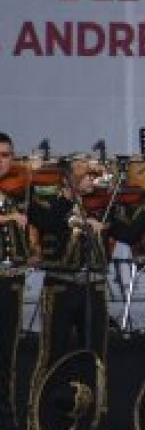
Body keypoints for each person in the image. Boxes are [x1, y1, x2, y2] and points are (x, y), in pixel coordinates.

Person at [28, 154, 145, 390]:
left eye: (94, 175)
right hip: (60, 287)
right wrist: (73, 205)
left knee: (96, 353)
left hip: (94, 288)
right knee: (53, 351)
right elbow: (47, 223)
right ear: (68, 178)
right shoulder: (48, 204)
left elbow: (129, 235)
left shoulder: (102, 207)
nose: (93, 180)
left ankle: (93, 403)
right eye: (86, 175)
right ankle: (43, 403)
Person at [0, 134, 30, 430]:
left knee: (7, 351)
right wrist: (8, 218)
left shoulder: (12, 194)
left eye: (7, 155)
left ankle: (7, 415)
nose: (2, 161)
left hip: (10, 280)